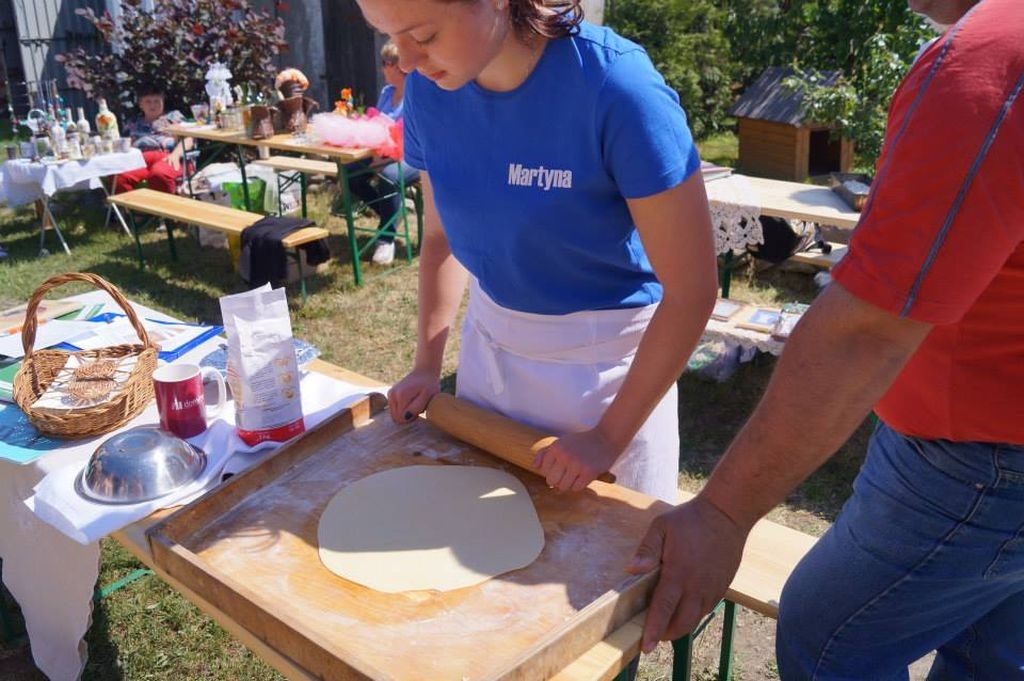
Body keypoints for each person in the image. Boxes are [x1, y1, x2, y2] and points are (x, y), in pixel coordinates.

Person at [627, 1, 1023, 679]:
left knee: (828, 638)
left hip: (979, 464)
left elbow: (864, 333)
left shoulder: (993, 56)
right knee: (990, 654)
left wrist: (720, 512)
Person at [356, 0, 717, 504]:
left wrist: (608, 437)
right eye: (390, 38)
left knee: (600, 547)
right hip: (488, 366)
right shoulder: (428, 90)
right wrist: (426, 365)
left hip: (608, 385)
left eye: (424, 36)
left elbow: (692, 291)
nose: (408, 62)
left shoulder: (617, 89)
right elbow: (441, 241)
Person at [347, 41, 421, 265]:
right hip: (383, 152)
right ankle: (392, 215)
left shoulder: (417, 96)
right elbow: (378, 125)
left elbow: (413, 136)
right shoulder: (386, 93)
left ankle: (386, 239)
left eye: (385, 63)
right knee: (349, 174)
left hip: (414, 155)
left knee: (389, 177)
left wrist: (383, 159)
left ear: (399, 67)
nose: (381, 68)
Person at [114, 84, 189, 195]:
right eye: (148, 101)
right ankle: (130, 205)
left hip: (168, 158)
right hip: (140, 160)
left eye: (157, 101)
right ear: (141, 104)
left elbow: (189, 138)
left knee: (158, 174)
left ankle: (163, 206)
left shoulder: (174, 117)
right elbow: (124, 144)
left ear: (163, 102)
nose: (153, 105)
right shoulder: (133, 123)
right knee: (120, 176)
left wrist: (176, 154)